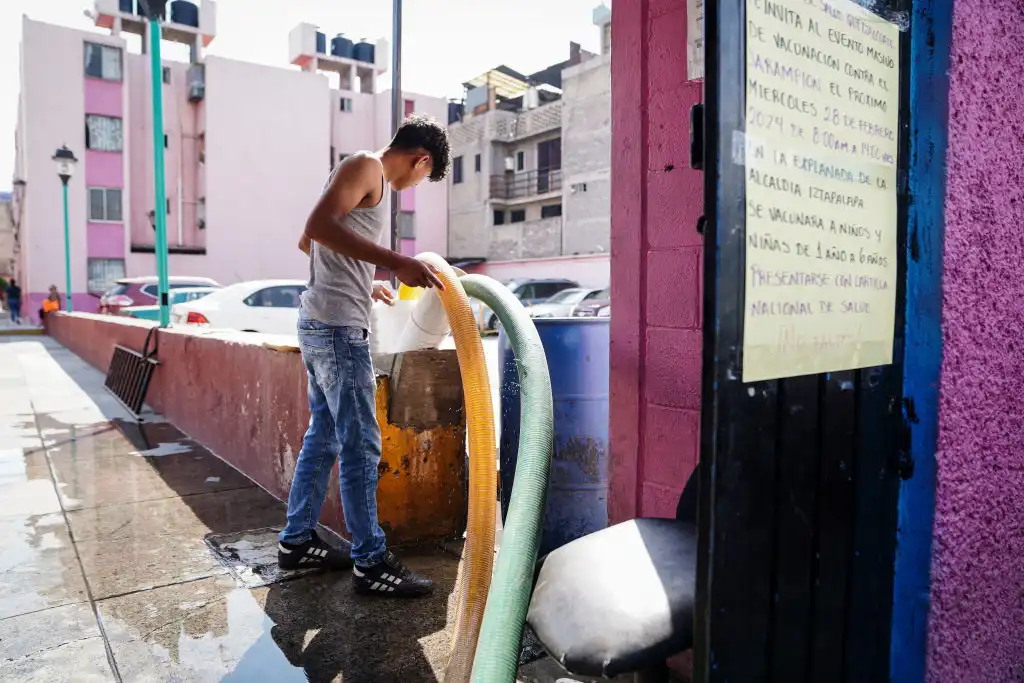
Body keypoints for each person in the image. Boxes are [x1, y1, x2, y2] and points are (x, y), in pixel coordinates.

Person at [278, 115, 450, 598]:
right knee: (360, 446)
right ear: (422, 160)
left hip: (324, 321)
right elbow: (315, 227)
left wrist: (361, 277)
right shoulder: (366, 168)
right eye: (424, 175)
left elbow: (308, 242)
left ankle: (297, 541)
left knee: (326, 437)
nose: (416, 184)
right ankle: (371, 562)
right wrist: (396, 263)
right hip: (336, 331)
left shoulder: (362, 175)